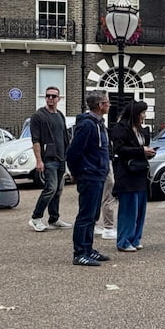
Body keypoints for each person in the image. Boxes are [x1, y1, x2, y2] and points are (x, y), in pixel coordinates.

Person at [66, 90, 112, 267]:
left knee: (93, 214)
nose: (109, 105)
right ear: (100, 105)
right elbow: (73, 152)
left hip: (98, 174)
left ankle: (88, 248)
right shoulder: (87, 125)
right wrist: (79, 173)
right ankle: (80, 253)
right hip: (89, 175)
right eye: (107, 102)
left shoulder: (99, 123)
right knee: (85, 215)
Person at [110, 100, 156, 252]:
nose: (144, 115)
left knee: (140, 209)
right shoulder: (120, 128)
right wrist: (141, 151)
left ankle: (135, 238)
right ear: (135, 114)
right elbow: (119, 148)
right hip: (127, 173)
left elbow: (142, 146)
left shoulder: (141, 129)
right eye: (142, 113)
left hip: (140, 172)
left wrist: (148, 151)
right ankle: (123, 241)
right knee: (128, 209)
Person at [28, 86, 72, 232]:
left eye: (54, 96)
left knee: (58, 190)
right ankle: (35, 218)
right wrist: (39, 160)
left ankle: (54, 218)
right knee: (50, 188)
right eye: (48, 96)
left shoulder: (60, 115)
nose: (50, 98)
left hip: (61, 158)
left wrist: (68, 158)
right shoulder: (38, 116)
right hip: (49, 159)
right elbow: (35, 140)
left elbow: (65, 137)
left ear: (59, 98)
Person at [94, 165, 118, 240]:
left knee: (97, 195)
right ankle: (108, 228)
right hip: (104, 160)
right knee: (108, 195)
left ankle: (93, 224)